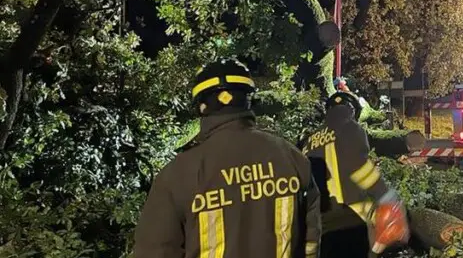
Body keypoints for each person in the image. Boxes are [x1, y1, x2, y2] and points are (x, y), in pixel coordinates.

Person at [134, 58, 322, 258]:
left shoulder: (178, 174)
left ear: (201, 107)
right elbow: (311, 240)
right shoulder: (290, 156)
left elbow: (155, 250)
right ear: (249, 100)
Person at [303, 91, 409, 258]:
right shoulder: (350, 127)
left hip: (319, 225)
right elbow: (360, 168)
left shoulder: (308, 141)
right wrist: (386, 196)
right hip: (349, 220)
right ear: (353, 111)